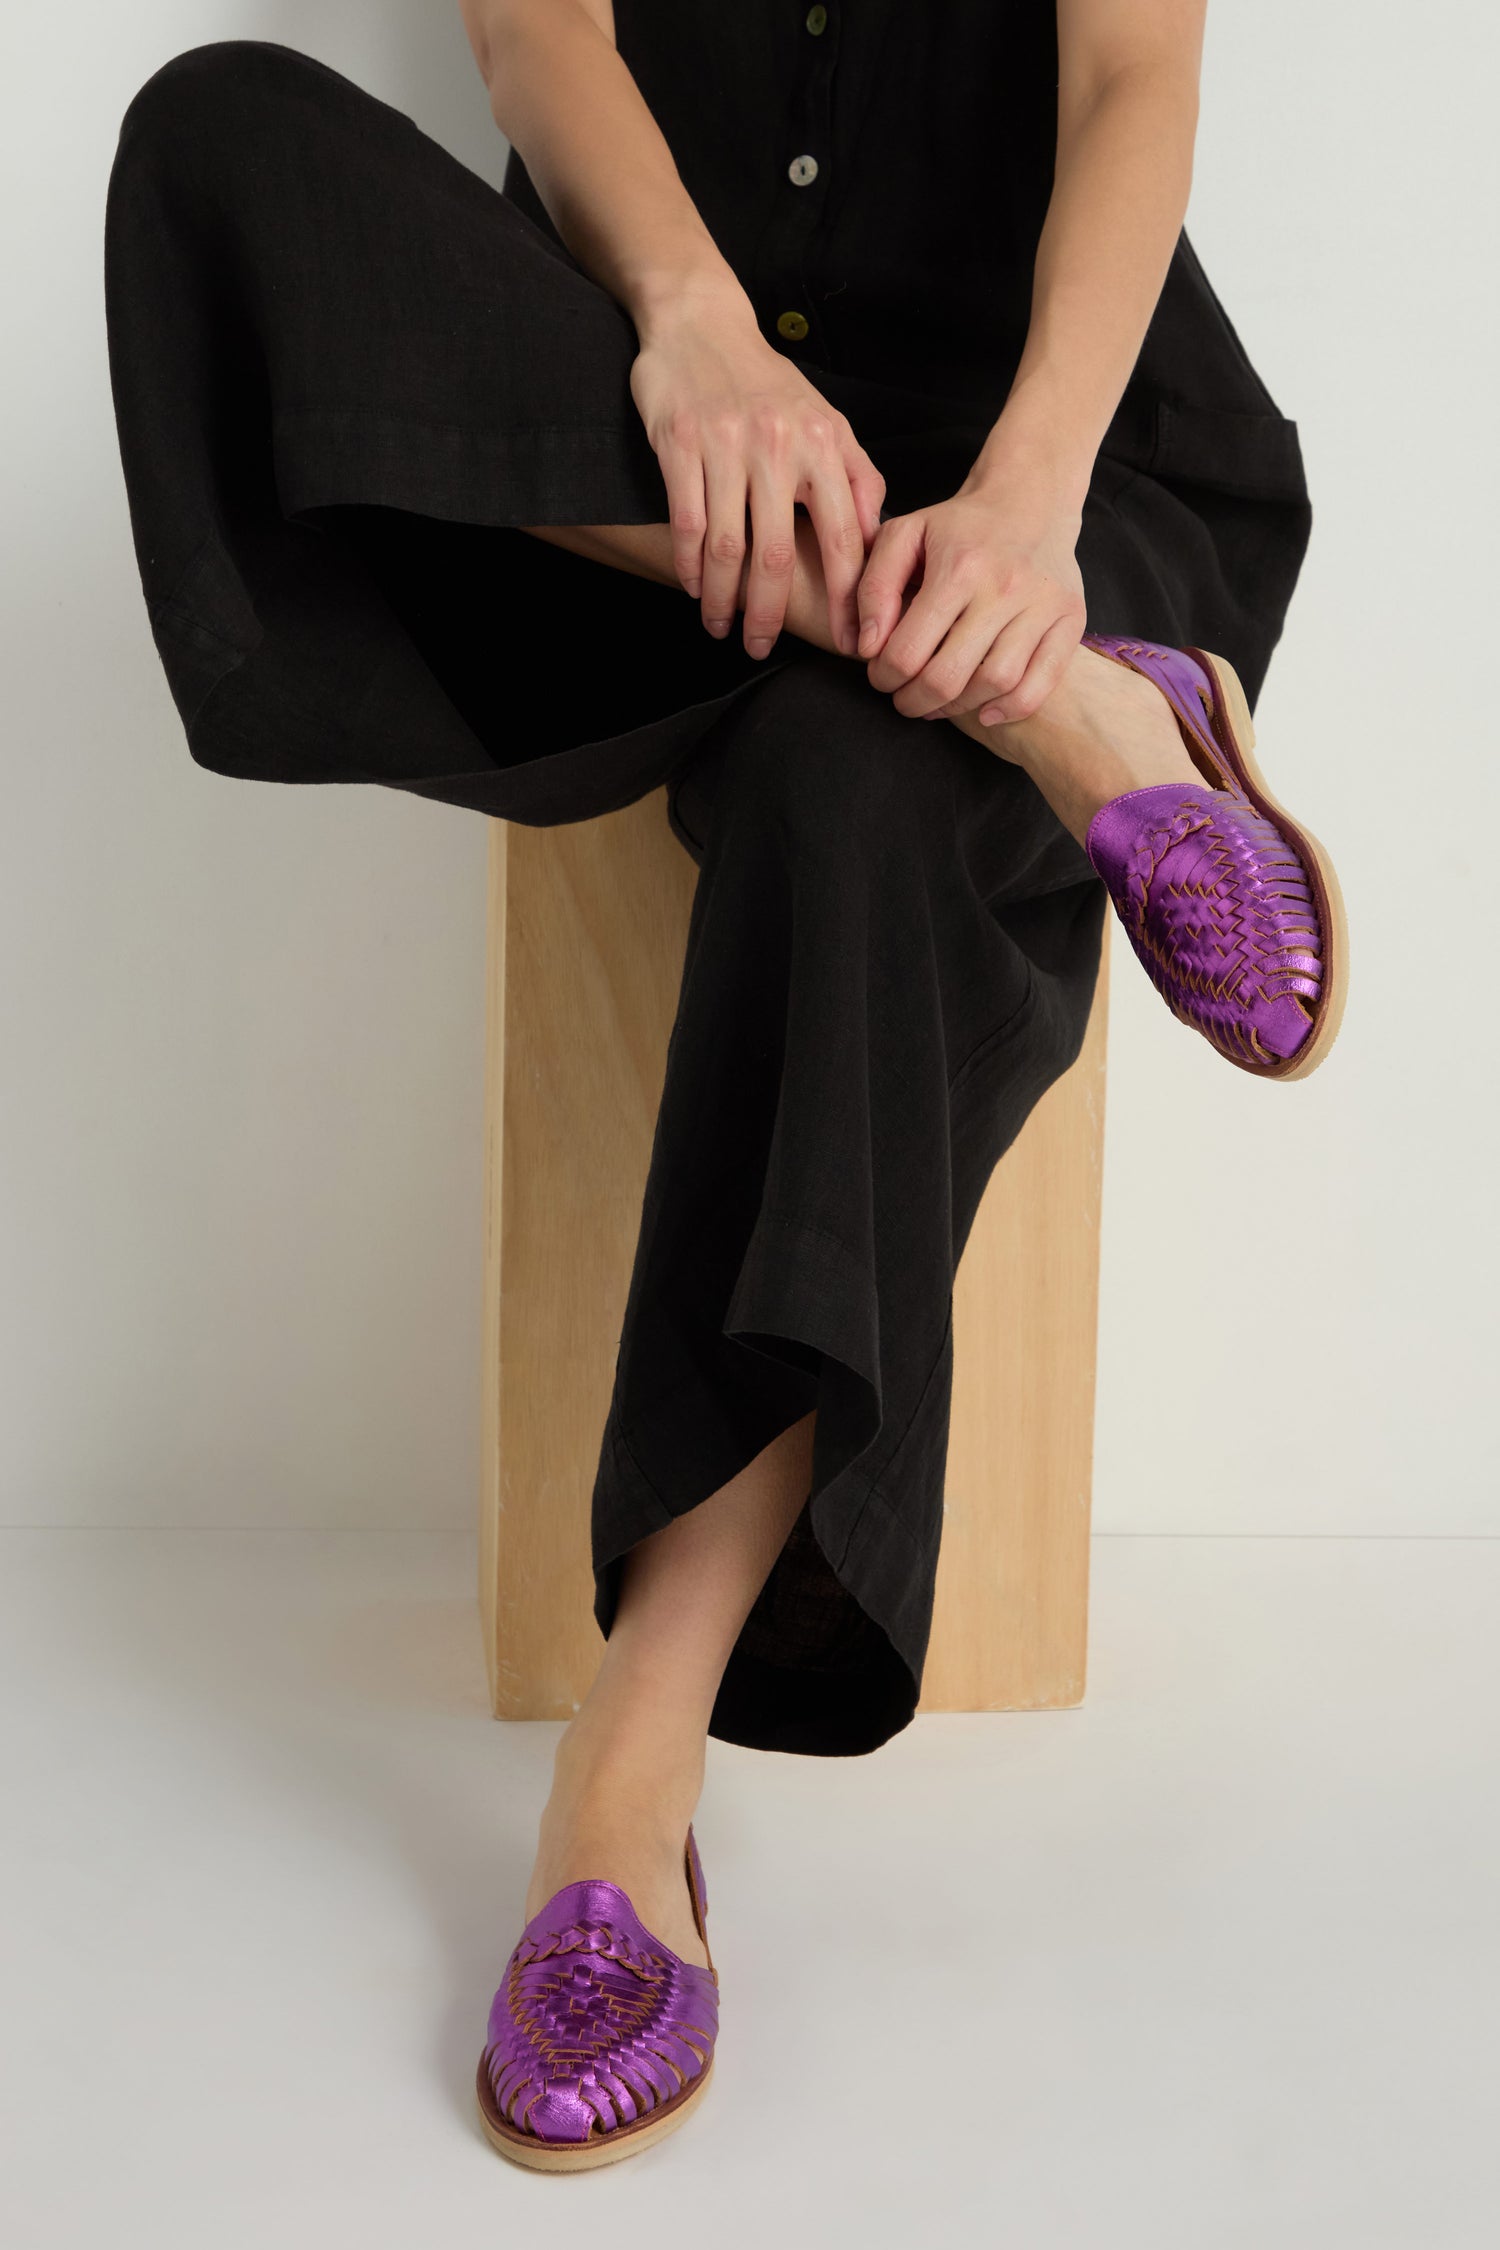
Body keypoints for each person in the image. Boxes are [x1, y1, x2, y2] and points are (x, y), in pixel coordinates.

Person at [103, 0, 1346, 2171]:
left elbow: (1134, 78)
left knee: (852, 810)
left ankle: (631, 1762)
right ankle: (1065, 713)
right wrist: (687, 329)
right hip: (647, 485)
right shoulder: (661, 370)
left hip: (1036, 469)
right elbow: (532, 27)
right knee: (216, 141)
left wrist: (1028, 506)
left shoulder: (1039, 461)